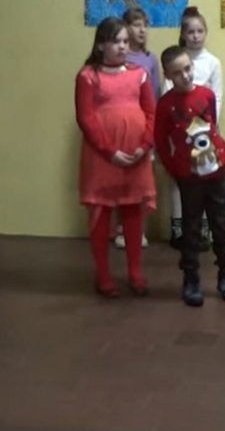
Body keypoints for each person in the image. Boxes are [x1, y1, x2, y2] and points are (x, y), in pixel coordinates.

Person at [74, 17, 156, 297]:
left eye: (125, 41)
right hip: (102, 156)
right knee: (101, 213)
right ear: (100, 45)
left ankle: (135, 273)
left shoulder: (139, 73)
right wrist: (110, 151)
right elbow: (86, 118)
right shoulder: (88, 76)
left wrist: (144, 145)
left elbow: (150, 112)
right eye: (116, 41)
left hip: (135, 155)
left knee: (132, 212)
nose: (123, 46)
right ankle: (103, 275)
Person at [154, 45, 225, 307]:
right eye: (177, 73)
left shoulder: (206, 95)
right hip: (188, 177)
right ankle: (191, 279)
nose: (185, 76)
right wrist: (174, 168)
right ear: (168, 76)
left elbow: (212, 127)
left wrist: (219, 158)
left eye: (188, 69)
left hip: (216, 171)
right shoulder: (165, 105)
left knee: (221, 226)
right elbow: (161, 141)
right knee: (191, 228)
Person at [163, 7, 223, 250]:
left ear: (205, 32)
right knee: (180, 180)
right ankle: (179, 228)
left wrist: (208, 128)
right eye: (191, 32)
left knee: (205, 176)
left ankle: (203, 230)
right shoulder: (176, 60)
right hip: (179, 131)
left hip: (204, 132)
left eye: (200, 31)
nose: (196, 36)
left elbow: (217, 97)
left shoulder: (213, 62)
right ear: (183, 34)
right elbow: (167, 93)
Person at [110, 7, 158, 250]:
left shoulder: (150, 60)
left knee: (141, 182)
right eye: (137, 25)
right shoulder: (118, 59)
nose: (142, 30)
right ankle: (121, 228)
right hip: (121, 128)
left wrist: (152, 133)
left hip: (143, 129)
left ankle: (138, 229)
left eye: (145, 25)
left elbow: (155, 97)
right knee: (120, 181)